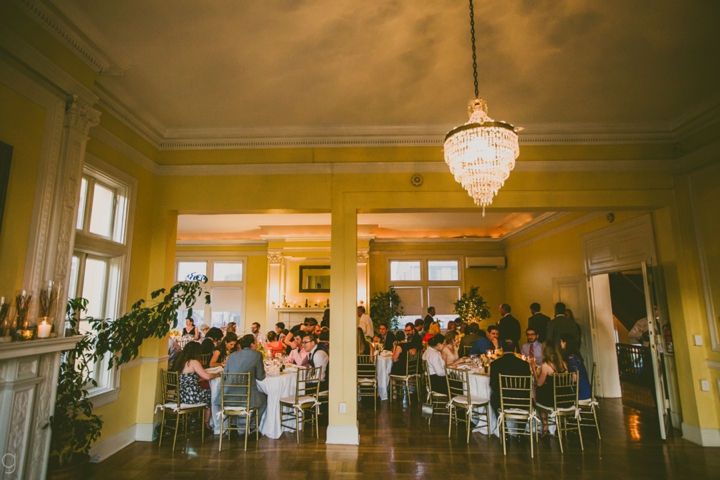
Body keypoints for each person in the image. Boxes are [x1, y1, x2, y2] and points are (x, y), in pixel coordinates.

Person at [172, 341, 219, 430]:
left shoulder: (181, 361)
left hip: (180, 395)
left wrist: (199, 379)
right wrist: (218, 374)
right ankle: (206, 423)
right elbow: (207, 376)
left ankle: (193, 419)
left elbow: (188, 378)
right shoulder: (193, 362)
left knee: (205, 392)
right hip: (191, 395)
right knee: (210, 394)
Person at [222, 334, 267, 423]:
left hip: (228, 395)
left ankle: (234, 426)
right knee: (265, 398)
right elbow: (260, 377)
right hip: (247, 397)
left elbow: (224, 375)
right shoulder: (257, 355)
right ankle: (253, 427)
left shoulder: (232, 355)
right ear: (251, 344)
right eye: (256, 341)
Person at [531, 340, 567, 436]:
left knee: (537, 390)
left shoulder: (546, 365)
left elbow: (539, 383)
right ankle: (562, 424)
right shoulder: (563, 363)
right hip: (564, 398)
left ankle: (545, 427)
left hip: (552, 400)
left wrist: (533, 368)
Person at [489, 339, 532, 413]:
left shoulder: (495, 364)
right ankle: (521, 424)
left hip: (502, 402)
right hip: (522, 402)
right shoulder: (524, 364)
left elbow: (493, 385)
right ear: (515, 349)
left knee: (493, 398)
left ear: (502, 349)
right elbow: (528, 385)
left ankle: (502, 422)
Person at [560, 333, 591, 401]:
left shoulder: (571, 357)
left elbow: (575, 378)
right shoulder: (575, 355)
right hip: (585, 390)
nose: (560, 343)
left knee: (559, 394)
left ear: (565, 342)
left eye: (561, 341)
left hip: (580, 392)